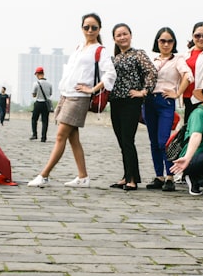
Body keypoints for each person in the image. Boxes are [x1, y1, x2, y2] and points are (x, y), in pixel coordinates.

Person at [28, 12, 116, 188]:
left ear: (99, 29)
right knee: (72, 138)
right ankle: (83, 177)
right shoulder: (79, 47)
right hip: (66, 94)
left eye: (94, 27)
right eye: (86, 27)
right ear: (81, 28)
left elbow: (110, 73)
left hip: (79, 97)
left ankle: (44, 175)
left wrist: (91, 89)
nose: (90, 30)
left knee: (60, 135)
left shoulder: (100, 50)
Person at [108, 23, 157, 190]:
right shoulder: (114, 58)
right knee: (121, 141)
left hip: (131, 102)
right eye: (118, 35)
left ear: (130, 35)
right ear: (114, 39)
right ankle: (127, 175)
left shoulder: (138, 54)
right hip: (115, 101)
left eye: (125, 34)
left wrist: (143, 91)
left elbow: (152, 71)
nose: (122, 37)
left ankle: (132, 180)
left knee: (128, 140)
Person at [144, 27, 193, 192]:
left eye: (169, 41)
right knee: (153, 141)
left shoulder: (178, 59)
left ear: (174, 43)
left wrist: (177, 92)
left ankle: (170, 176)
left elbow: (188, 75)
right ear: (157, 42)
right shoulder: (152, 59)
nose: (165, 44)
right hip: (149, 101)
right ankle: (159, 175)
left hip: (165, 102)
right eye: (162, 41)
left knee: (163, 140)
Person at [30, 67, 54, 141]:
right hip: (45, 104)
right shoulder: (49, 84)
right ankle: (43, 137)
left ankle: (34, 134)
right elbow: (50, 94)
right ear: (43, 73)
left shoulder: (36, 83)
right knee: (45, 121)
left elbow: (33, 95)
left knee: (34, 119)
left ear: (37, 74)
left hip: (38, 103)